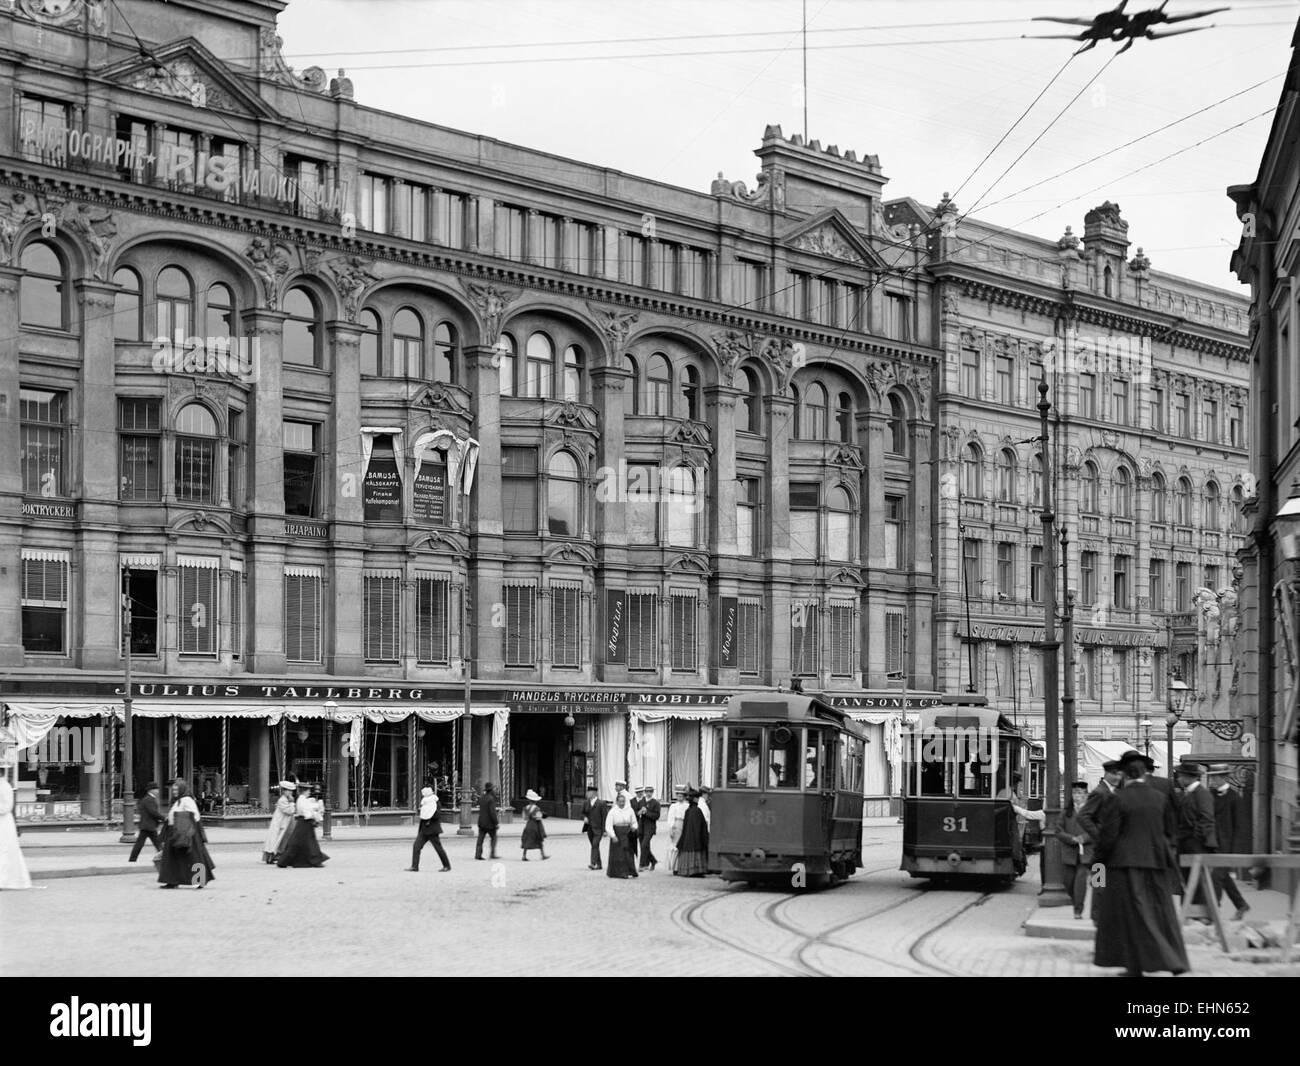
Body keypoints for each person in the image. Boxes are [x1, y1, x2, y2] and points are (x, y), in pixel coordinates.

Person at [1093, 751, 1189, 977]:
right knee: (1160, 913)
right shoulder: (1160, 798)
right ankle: (1140, 966)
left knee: (1131, 917)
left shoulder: (1118, 798)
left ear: (1125, 774)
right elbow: (1170, 832)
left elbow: (1108, 836)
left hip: (1125, 866)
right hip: (1156, 865)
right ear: (1144, 774)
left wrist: (1098, 862)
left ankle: (1164, 960)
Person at [1078, 760, 1123, 920]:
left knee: (1102, 881)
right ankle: (1097, 916)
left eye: (1119, 774)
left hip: (1107, 846)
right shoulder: (1100, 792)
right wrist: (1098, 835)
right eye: (1114, 774)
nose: (1117, 777)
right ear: (1106, 773)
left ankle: (1100, 914)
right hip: (1100, 847)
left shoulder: (1111, 791)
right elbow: (1083, 816)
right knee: (1099, 882)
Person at [1174, 760, 1218, 906]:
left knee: (1197, 882)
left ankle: (1198, 914)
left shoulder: (1201, 794)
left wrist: (1195, 839)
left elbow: (1207, 819)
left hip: (1195, 845)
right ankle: (1189, 912)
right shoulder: (1188, 794)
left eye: (1180, 776)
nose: (1178, 779)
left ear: (1188, 777)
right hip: (1185, 844)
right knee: (1186, 881)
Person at [157, 780, 216, 889]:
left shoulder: (187, 800)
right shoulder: (178, 801)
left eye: (176, 790)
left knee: (194, 857)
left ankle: (199, 880)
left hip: (186, 833)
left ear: (182, 790)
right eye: (173, 790)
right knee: (173, 858)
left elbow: (194, 816)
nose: (174, 792)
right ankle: (172, 880)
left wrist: (179, 820)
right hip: (176, 832)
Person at [1209, 770, 1249, 919]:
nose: (1212, 779)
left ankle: (1214, 911)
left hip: (1227, 846)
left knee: (1216, 877)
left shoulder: (1234, 798)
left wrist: (1235, 852)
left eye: (1215, 776)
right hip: (1213, 845)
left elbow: (1240, 826)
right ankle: (1241, 905)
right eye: (1212, 776)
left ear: (1224, 777)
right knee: (1223, 877)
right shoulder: (1211, 795)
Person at [1057, 782, 1091, 919]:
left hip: (1086, 853)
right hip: (1069, 853)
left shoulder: (1091, 812)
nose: (1078, 796)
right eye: (1075, 793)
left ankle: (1078, 909)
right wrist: (1072, 839)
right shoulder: (1066, 812)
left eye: (1081, 793)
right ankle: (1075, 900)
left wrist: (1084, 838)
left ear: (1086, 795)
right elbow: (1058, 831)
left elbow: (1097, 830)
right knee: (1068, 882)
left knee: (1080, 882)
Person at [276, 783, 329, 868]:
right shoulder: (302, 800)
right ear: (304, 791)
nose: (309, 792)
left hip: (304, 822)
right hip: (304, 822)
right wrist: (317, 816)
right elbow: (307, 813)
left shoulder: (303, 799)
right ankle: (313, 860)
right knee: (302, 842)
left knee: (306, 842)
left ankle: (313, 860)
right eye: (308, 791)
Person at [407, 786, 451, 872]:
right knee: (416, 846)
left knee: (438, 848)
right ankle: (415, 866)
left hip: (432, 830)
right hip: (424, 830)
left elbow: (437, 815)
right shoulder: (426, 802)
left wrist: (429, 816)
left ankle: (447, 865)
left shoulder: (435, 802)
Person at [0, 773, 32, 890]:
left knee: (4, 850)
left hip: (3, 823)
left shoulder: (6, 787)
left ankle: (4, 880)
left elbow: (6, 807)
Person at [674, 789, 709, 877]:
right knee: (697, 851)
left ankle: (686, 870)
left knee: (688, 849)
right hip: (696, 837)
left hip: (687, 837)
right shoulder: (698, 811)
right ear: (695, 800)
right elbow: (702, 825)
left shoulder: (688, 811)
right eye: (697, 798)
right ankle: (696, 870)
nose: (698, 800)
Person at [262, 778, 297, 864]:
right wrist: (292, 803)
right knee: (275, 841)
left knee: (279, 840)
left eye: (291, 791)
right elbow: (290, 811)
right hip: (279, 824)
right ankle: (271, 857)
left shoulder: (285, 800)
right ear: (285, 791)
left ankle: (276, 856)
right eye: (289, 791)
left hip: (282, 824)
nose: (291, 793)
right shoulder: (283, 800)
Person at [605, 791, 639, 878]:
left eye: (623, 801)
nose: (622, 803)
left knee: (628, 853)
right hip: (618, 833)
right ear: (617, 802)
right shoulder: (612, 811)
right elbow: (608, 825)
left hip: (628, 834)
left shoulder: (630, 810)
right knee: (619, 854)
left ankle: (630, 871)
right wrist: (612, 835)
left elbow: (634, 822)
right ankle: (620, 872)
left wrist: (634, 827)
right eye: (620, 801)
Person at [127, 781, 163, 863]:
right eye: (156, 789)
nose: (158, 791)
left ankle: (132, 859)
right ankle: (164, 858)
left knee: (150, 843)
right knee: (156, 843)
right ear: (151, 790)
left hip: (147, 825)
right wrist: (163, 818)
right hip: (148, 825)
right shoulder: (148, 799)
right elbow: (153, 812)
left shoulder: (149, 799)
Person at [580, 786, 607, 870]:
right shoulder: (586, 803)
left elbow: (604, 817)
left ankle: (593, 863)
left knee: (595, 844)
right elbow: (582, 813)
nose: (587, 794)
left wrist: (605, 830)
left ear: (594, 793)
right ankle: (599, 864)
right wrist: (584, 817)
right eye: (587, 792)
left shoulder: (601, 803)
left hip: (598, 829)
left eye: (589, 792)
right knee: (594, 846)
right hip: (589, 829)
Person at [665, 785, 689, 871]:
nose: (680, 797)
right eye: (678, 796)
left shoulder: (687, 805)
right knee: (675, 845)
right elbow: (670, 818)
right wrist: (671, 828)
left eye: (681, 796)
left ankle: (682, 865)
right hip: (677, 825)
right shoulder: (673, 806)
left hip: (685, 825)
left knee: (684, 845)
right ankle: (674, 866)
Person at [521, 788, 548, 861]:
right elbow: (538, 817)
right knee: (539, 840)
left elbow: (524, 818)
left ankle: (524, 855)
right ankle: (543, 855)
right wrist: (543, 815)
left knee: (527, 840)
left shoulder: (525, 808)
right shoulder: (536, 808)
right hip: (536, 825)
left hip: (528, 824)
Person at [638, 785, 661, 871]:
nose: (648, 793)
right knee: (644, 846)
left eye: (650, 792)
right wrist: (639, 812)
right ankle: (653, 860)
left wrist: (647, 812)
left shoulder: (656, 803)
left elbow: (657, 816)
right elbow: (636, 812)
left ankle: (642, 865)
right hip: (641, 827)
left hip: (650, 827)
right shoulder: (641, 801)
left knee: (644, 845)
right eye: (647, 792)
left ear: (652, 793)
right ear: (644, 792)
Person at [475, 782, 499, 861]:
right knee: (494, 838)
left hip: (481, 821)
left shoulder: (482, 798)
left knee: (480, 839)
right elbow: (492, 812)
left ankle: (478, 854)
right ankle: (492, 853)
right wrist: (496, 822)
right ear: (491, 790)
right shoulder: (491, 799)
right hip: (489, 823)